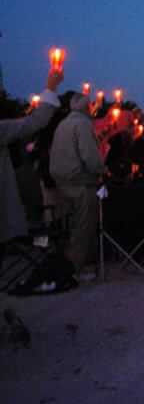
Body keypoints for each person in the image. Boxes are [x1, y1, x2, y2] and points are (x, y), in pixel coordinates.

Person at [0, 68, 63, 273]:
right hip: (43, 180)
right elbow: (35, 122)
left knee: (41, 216)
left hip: (39, 179)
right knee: (45, 217)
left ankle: (40, 246)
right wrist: (51, 87)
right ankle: (42, 246)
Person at [49, 90, 106, 285]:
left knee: (70, 227)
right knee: (83, 227)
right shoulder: (82, 124)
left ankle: (68, 265)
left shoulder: (63, 124)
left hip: (61, 183)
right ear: (85, 106)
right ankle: (75, 269)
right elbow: (90, 157)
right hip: (80, 183)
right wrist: (102, 169)